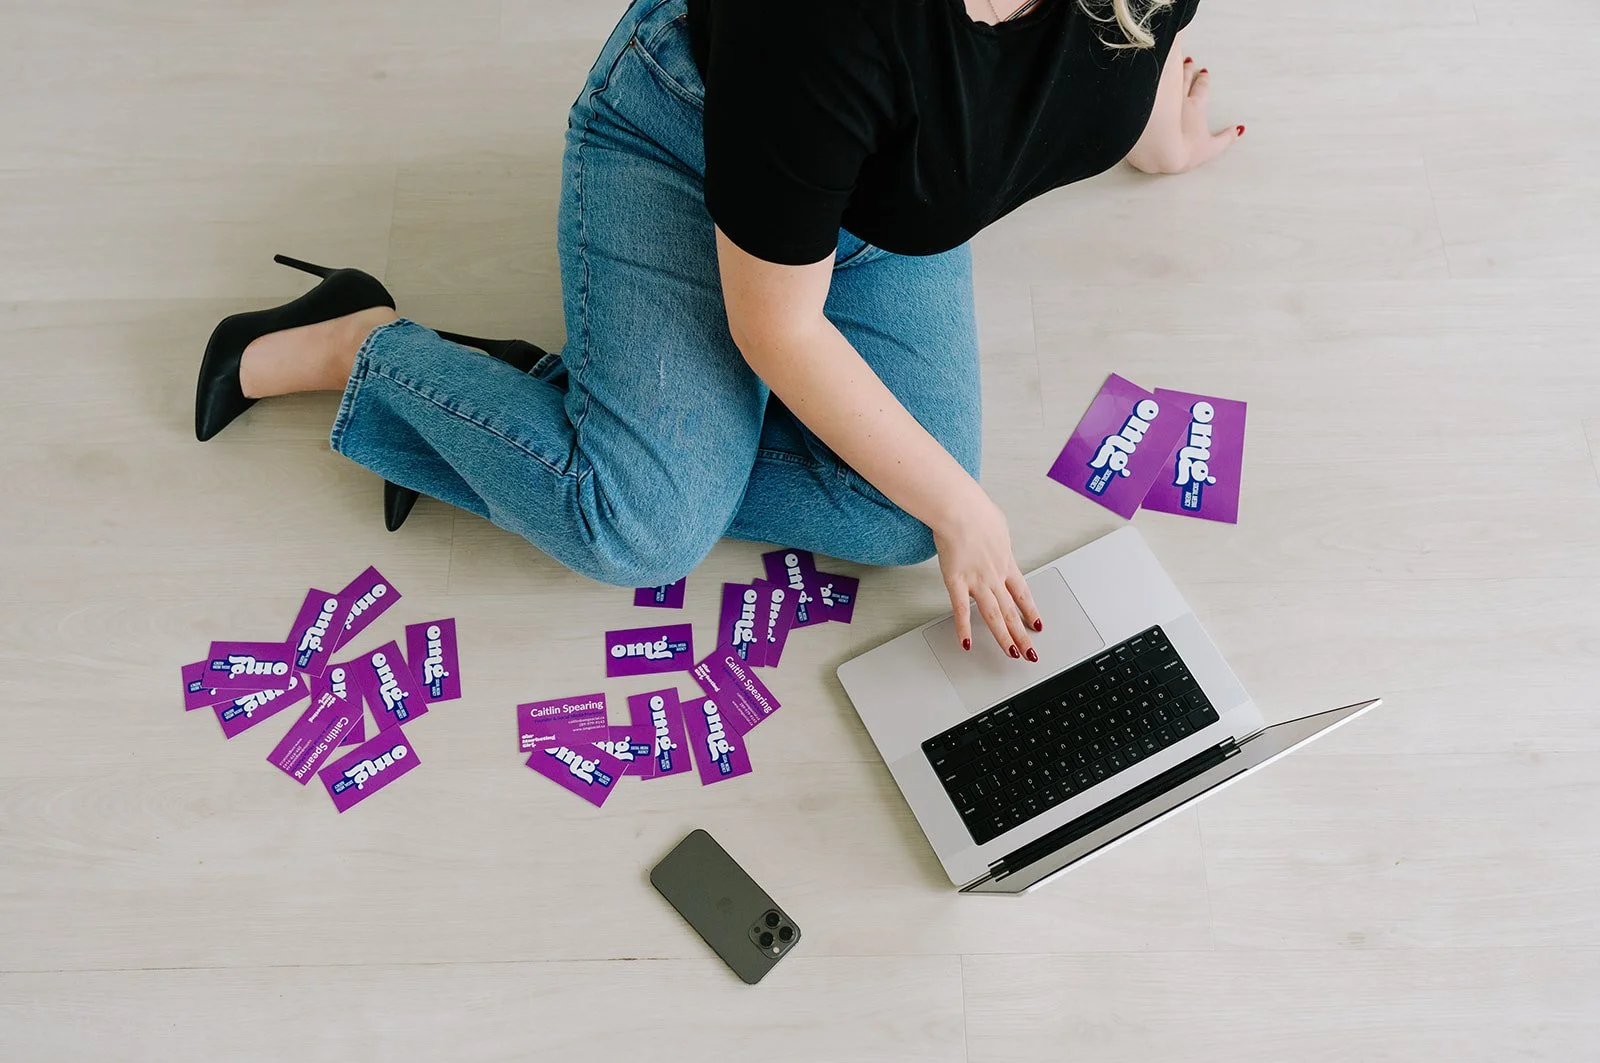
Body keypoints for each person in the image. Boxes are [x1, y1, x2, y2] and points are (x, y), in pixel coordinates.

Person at [194, 0, 1237, 660]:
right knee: (637, 529)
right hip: (689, 147)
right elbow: (777, 325)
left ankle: (572, 422)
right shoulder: (825, 27)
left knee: (896, 517)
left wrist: (1151, 134)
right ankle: (360, 341)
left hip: (883, 208)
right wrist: (970, 509)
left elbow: (1140, 31)